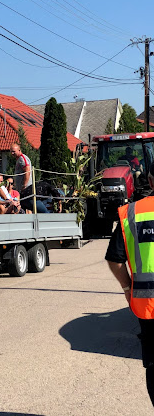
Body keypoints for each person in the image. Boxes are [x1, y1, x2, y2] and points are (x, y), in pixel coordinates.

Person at [106, 162, 154, 407]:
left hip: (149, 307)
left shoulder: (132, 214)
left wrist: (127, 289)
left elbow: (115, 260)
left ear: (151, 180)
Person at [10, 143, 34, 212]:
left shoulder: (22, 158)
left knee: (26, 205)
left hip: (25, 188)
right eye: (11, 151)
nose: (12, 153)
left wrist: (24, 185)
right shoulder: (19, 159)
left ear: (19, 150)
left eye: (14, 151)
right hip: (21, 188)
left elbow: (27, 171)